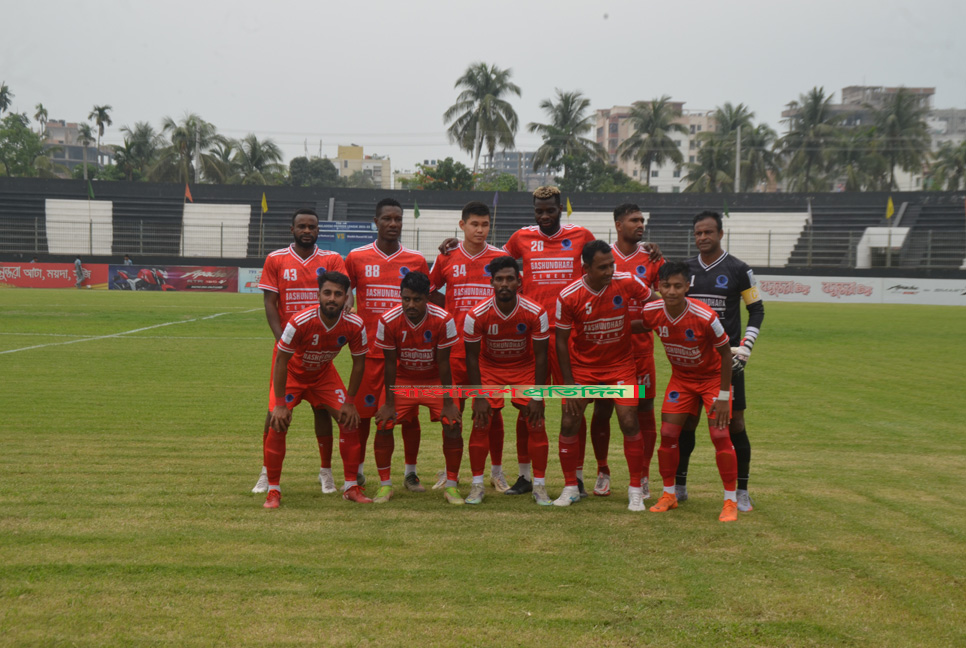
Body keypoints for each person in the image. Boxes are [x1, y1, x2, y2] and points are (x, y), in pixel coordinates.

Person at [251, 207, 349, 495]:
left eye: (312, 226)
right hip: (288, 352)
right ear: (292, 229)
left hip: (321, 352)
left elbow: (346, 293)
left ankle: (325, 472)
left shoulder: (331, 259)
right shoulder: (276, 259)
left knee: (322, 409)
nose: (307, 231)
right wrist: (282, 340)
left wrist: (346, 310)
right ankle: (267, 472)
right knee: (275, 412)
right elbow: (270, 303)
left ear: (318, 230)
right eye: (302, 226)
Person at [553, 240, 653, 510]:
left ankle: (635, 490)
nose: (609, 271)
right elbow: (561, 340)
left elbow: (656, 303)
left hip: (621, 366)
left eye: (611, 265)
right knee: (569, 422)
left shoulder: (627, 281)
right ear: (586, 268)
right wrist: (568, 384)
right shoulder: (569, 296)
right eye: (602, 267)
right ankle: (570, 487)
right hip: (583, 369)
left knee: (629, 420)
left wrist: (653, 321)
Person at [674, 211, 764, 512]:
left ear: (721, 234)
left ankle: (741, 491)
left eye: (708, 232)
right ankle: (679, 486)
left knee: (735, 423)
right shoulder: (685, 269)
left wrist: (746, 346)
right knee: (686, 422)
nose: (703, 238)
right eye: (698, 233)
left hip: (727, 362)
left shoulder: (739, 269)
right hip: (691, 361)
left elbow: (757, 309)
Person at [640, 261, 739, 522]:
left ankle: (730, 501)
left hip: (712, 379)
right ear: (659, 287)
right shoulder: (651, 311)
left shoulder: (705, 316)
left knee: (720, 436)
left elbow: (726, 355)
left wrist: (724, 396)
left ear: (687, 286)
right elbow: (637, 326)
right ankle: (669, 495)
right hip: (682, 380)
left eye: (677, 286)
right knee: (668, 434)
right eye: (666, 286)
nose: (671, 291)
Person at [263, 271, 371, 508]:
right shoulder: (300, 321)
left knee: (349, 420)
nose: (332, 298)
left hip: (323, 376)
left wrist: (350, 401)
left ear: (346, 297)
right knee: (277, 422)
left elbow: (359, 363)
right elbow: (281, 360)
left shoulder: (355, 324)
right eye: (327, 293)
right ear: (318, 295)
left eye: (338, 294)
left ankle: (351, 487)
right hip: (293, 375)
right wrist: (280, 404)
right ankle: (273, 490)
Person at [345, 198, 430, 492]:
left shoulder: (416, 260)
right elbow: (345, 290)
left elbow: (427, 299)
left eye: (398, 219)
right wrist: (348, 304)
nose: (393, 224)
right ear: (376, 221)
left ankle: (410, 472)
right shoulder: (356, 257)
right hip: (369, 353)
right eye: (387, 219)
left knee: (409, 417)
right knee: (363, 415)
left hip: (407, 355)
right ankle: (357, 471)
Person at [428, 201, 505, 491]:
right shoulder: (446, 256)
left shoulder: (500, 257)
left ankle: (496, 472)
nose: (480, 230)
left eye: (485, 224)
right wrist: (447, 312)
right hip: (455, 351)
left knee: (490, 414)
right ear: (462, 225)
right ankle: (451, 473)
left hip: (489, 353)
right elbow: (430, 290)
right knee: (452, 415)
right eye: (474, 224)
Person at [588, 204, 664, 499]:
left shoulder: (653, 258)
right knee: (603, 409)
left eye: (642, 220)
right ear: (618, 224)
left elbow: (664, 302)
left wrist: (637, 326)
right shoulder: (603, 256)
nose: (640, 224)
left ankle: (643, 475)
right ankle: (602, 471)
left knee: (644, 411)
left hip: (640, 351)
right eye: (634, 220)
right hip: (606, 352)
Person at [464, 256, 551, 505]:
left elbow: (541, 356)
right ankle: (477, 485)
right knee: (481, 422)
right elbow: (472, 358)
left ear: (519, 282)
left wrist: (537, 395)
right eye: (499, 279)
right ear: (491, 282)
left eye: (510, 279)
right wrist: (479, 396)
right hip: (490, 369)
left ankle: (540, 486)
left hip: (524, 368)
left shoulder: (536, 312)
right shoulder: (476, 315)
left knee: (536, 422)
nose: (504, 284)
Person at [372, 271, 464, 505]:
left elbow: (444, 363)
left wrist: (449, 402)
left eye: (417, 299)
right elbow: (390, 363)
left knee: (453, 424)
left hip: (434, 379)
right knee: (383, 423)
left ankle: (452, 486)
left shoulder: (443, 319)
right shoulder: (387, 320)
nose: (410, 305)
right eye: (406, 299)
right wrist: (389, 403)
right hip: (403, 379)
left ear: (427, 298)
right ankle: (385, 485)